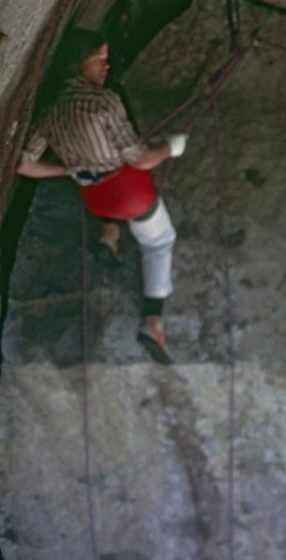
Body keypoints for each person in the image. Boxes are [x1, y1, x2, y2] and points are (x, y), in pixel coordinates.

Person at [16, 28, 188, 364]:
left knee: (102, 182)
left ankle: (109, 234)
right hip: (129, 192)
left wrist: (70, 170)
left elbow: (24, 165)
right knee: (160, 242)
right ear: (80, 63)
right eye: (100, 60)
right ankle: (153, 321)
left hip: (93, 195)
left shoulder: (49, 108)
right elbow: (141, 159)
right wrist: (173, 147)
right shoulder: (104, 101)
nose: (106, 68)